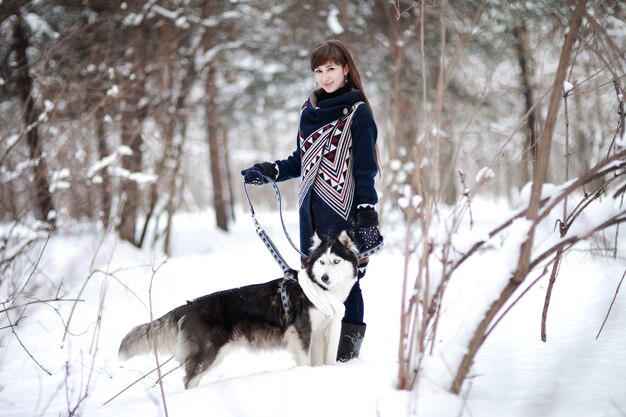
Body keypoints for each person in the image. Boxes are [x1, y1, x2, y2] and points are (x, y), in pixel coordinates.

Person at [241, 39, 382, 362]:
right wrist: (270, 171)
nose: (324, 77)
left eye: (331, 69)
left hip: (346, 213)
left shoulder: (358, 113)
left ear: (346, 69)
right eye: (318, 71)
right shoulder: (310, 111)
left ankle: (347, 355)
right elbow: (300, 161)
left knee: (350, 282)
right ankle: (320, 351)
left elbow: (365, 168)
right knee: (315, 285)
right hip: (312, 216)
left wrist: (366, 210)